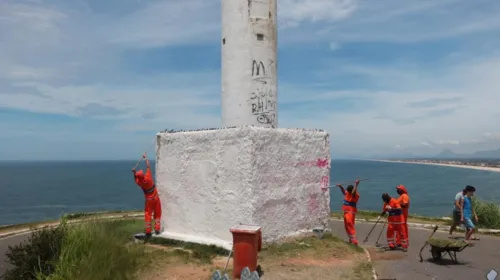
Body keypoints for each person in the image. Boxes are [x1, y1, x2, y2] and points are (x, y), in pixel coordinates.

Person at [132, 153, 162, 238]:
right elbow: (148, 166)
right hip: (155, 198)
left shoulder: (140, 183)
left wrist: (134, 173)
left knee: (148, 214)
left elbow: (136, 179)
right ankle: (157, 229)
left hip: (149, 200)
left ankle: (148, 231)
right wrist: (145, 158)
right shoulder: (148, 177)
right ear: (143, 175)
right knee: (157, 213)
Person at [337, 180, 361, 245]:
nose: (347, 191)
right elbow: (344, 192)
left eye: (348, 190)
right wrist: (340, 186)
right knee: (346, 226)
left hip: (351, 211)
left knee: (350, 224)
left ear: (351, 190)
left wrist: (356, 184)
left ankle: (354, 241)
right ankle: (351, 239)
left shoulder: (355, 195)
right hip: (346, 211)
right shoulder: (348, 193)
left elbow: (353, 193)